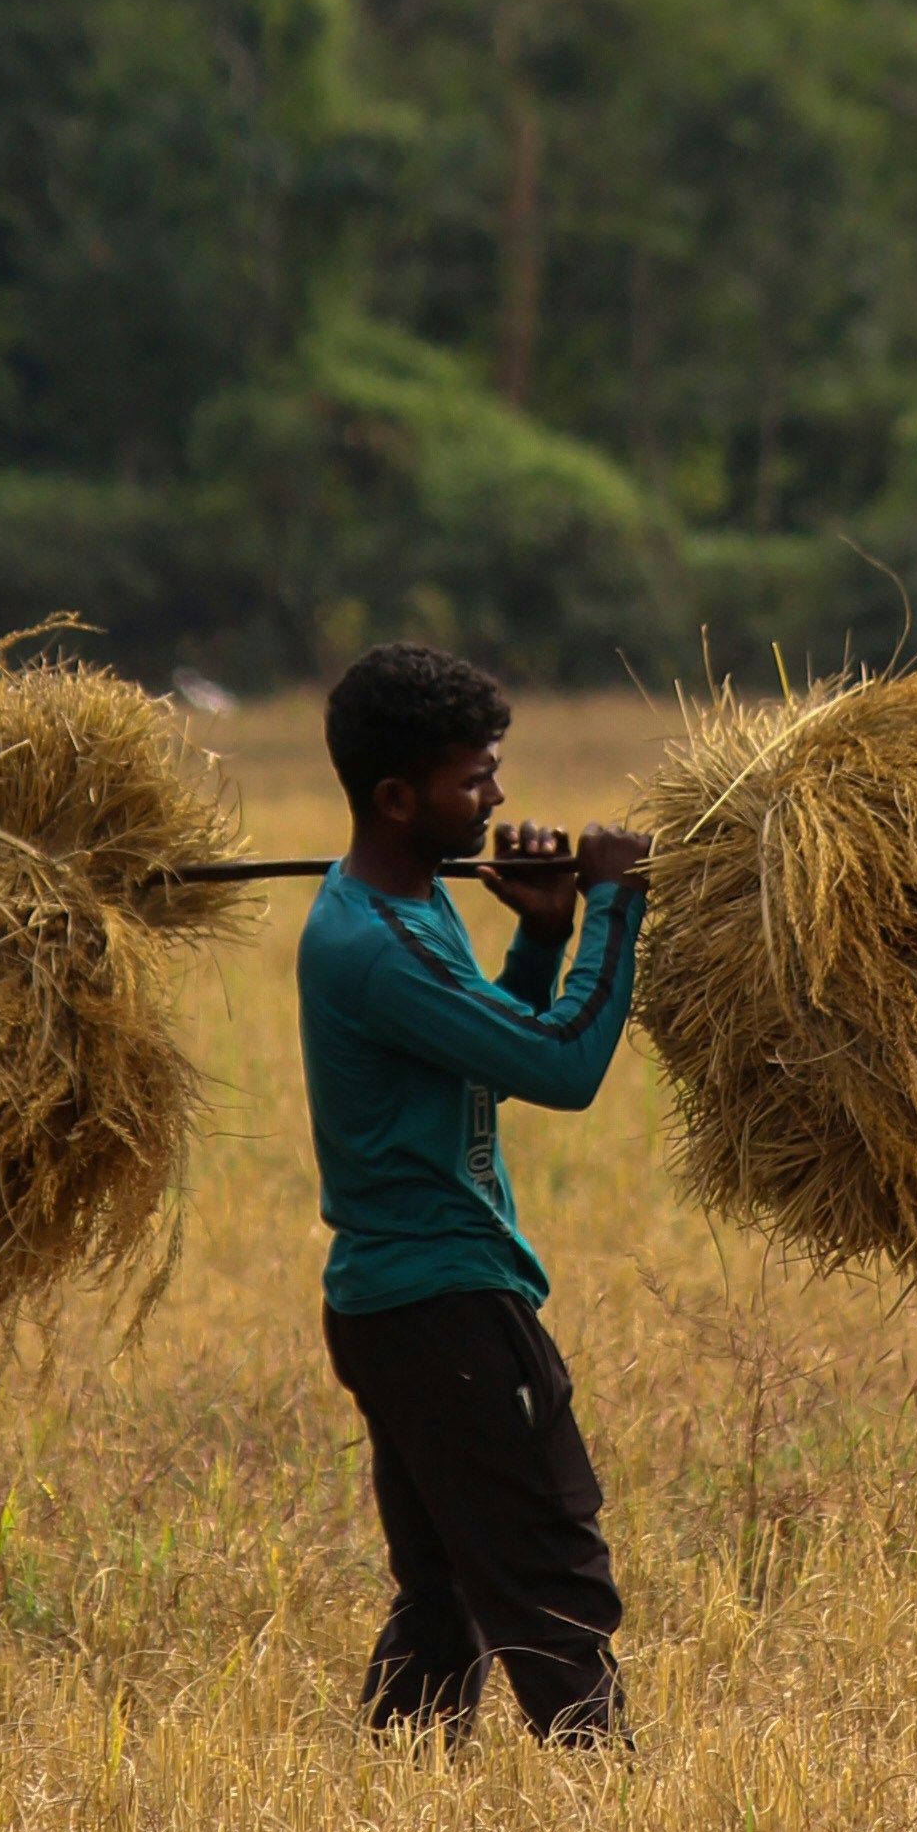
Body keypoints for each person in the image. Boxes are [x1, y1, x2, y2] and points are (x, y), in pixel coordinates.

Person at [297, 639, 651, 1747]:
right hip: (444, 1307)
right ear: (396, 798)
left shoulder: (399, 911)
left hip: (398, 1303)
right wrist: (611, 911)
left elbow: (486, 1051)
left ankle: (394, 1821)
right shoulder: (372, 947)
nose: (497, 797)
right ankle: (611, 1814)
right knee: (551, 1585)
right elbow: (560, 1068)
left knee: (446, 1590)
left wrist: (542, 940)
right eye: (471, 780)